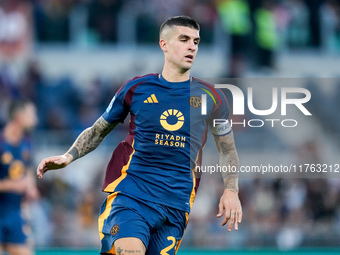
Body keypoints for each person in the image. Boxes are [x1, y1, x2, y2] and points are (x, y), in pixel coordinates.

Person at [37, 16, 242, 255]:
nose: (192, 47)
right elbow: (99, 129)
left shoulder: (212, 97)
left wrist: (231, 190)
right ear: (164, 44)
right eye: (184, 39)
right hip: (132, 196)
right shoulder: (137, 88)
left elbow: (227, 149)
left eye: (196, 41)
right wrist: (69, 155)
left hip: (176, 206)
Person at [0, 99, 39, 255]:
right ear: (19, 117)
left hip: (15, 213)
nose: (36, 119)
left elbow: (27, 170)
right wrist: (15, 185)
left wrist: (31, 187)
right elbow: (17, 182)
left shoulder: (27, 143)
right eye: (32, 114)